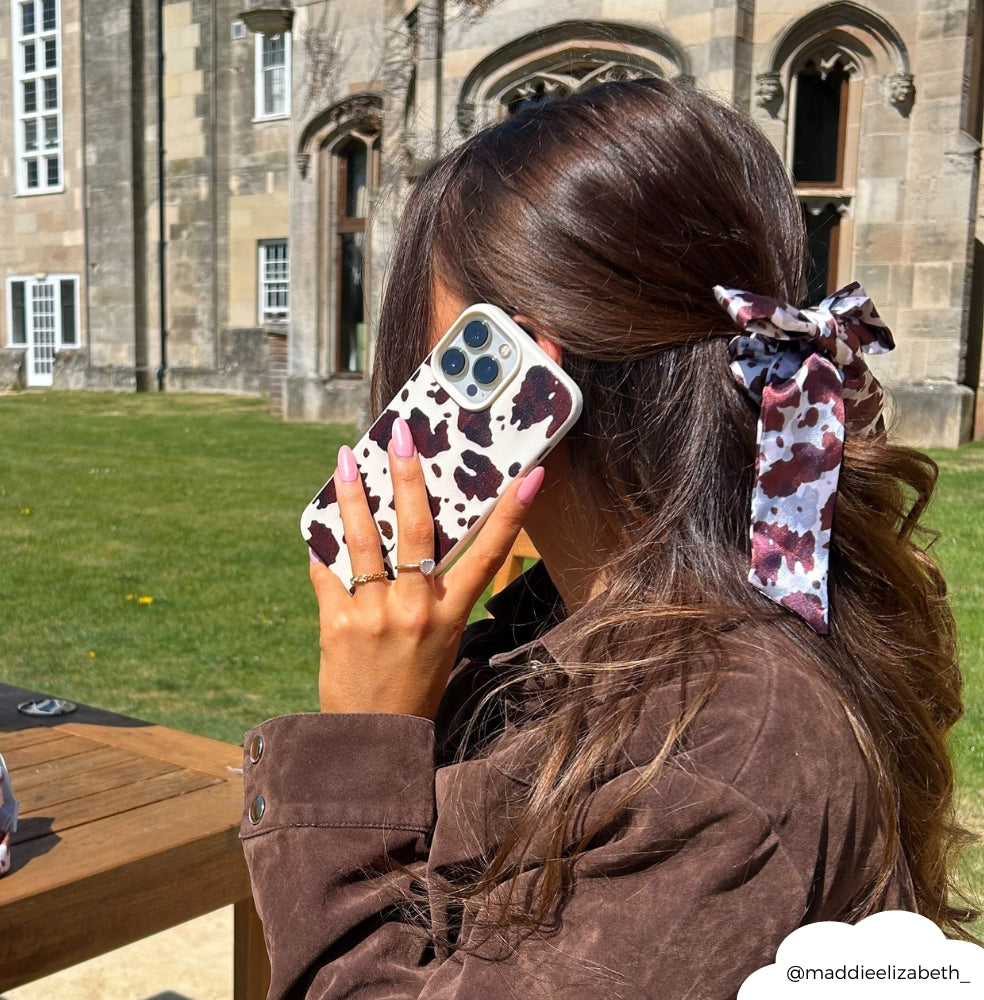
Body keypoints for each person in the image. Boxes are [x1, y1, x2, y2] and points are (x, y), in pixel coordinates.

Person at [240, 78, 976, 999]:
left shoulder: (724, 744)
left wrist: (358, 740)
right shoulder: (580, 631)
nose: (404, 412)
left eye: (432, 361)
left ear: (529, 375)